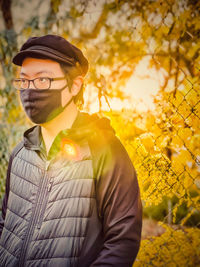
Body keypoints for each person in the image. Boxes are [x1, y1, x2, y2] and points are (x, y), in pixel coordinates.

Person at [0, 34, 142, 267]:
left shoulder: (104, 150)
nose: (29, 89)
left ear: (75, 85)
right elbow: (5, 223)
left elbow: (122, 241)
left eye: (43, 80)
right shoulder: (20, 152)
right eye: (24, 81)